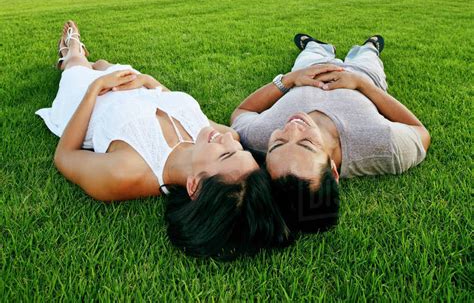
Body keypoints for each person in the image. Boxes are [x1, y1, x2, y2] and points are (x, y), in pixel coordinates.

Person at [36, 21, 290, 259]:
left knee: (78, 62)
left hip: (84, 98)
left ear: (194, 186)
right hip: (134, 83)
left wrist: (96, 87)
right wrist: (147, 81)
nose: (228, 139)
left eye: (225, 153)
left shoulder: (126, 172)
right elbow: (173, 103)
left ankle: (70, 49)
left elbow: (65, 156)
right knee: (102, 62)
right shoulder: (215, 137)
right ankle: (89, 61)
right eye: (240, 150)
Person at [230, 33, 431, 234]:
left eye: (278, 142)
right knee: (367, 56)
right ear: (333, 170)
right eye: (307, 143)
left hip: (308, 71)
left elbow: (241, 113)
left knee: (310, 53)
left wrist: (290, 79)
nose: (293, 128)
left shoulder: (257, 137)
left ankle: (317, 46)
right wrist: (361, 84)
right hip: (364, 74)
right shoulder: (385, 146)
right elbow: (420, 132)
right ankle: (370, 46)